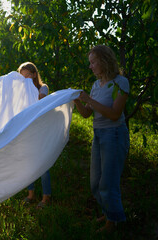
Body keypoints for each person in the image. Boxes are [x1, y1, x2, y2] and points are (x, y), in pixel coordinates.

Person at [73, 45, 130, 233]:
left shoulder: (121, 83)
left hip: (114, 135)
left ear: (104, 61)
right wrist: (76, 100)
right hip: (98, 135)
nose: (90, 67)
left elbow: (114, 114)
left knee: (108, 182)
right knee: (95, 182)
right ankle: (109, 213)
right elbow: (88, 114)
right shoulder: (96, 85)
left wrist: (88, 99)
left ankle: (112, 222)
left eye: (93, 62)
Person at [17, 62, 52, 209]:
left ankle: (46, 197)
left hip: (40, 130)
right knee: (28, 163)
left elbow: (40, 101)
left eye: (27, 76)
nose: (25, 79)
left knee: (43, 164)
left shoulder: (42, 88)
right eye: (22, 76)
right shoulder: (21, 91)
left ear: (34, 75)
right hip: (28, 130)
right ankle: (31, 194)